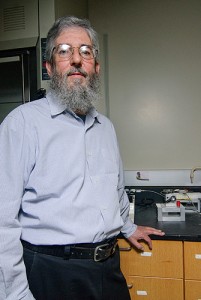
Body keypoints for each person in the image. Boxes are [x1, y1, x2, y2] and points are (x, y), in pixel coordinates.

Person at [0, 16, 165, 300]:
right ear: (49, 67)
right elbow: (3, 219)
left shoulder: (106, 128)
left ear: (96, 68)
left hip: (108, 268)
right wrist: (15, 294)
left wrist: (128, 226)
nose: (77, 59)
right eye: (64, 50)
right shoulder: (21, 124)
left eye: (86, 51)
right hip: (51, 273)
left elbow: (114, 191)